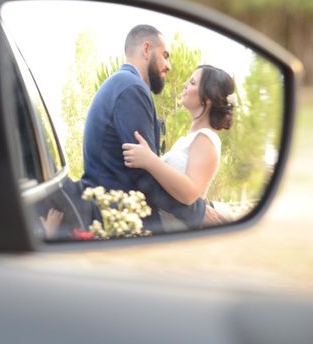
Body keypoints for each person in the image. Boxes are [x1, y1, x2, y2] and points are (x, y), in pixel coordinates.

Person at [81, 24, 219, 233]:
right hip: (119, 223)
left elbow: (146, 164)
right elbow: (144, 175)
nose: (169, 66)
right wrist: (198, 214)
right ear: (146, 49)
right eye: (165, 55)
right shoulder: (132, 89)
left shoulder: (122, 84)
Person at [122, 65, 236, 231]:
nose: (184, 85)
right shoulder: (188, 140)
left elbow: (189, 193)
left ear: (208, 97)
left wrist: (149, 160)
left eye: (192, 82)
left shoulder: (206, 138)